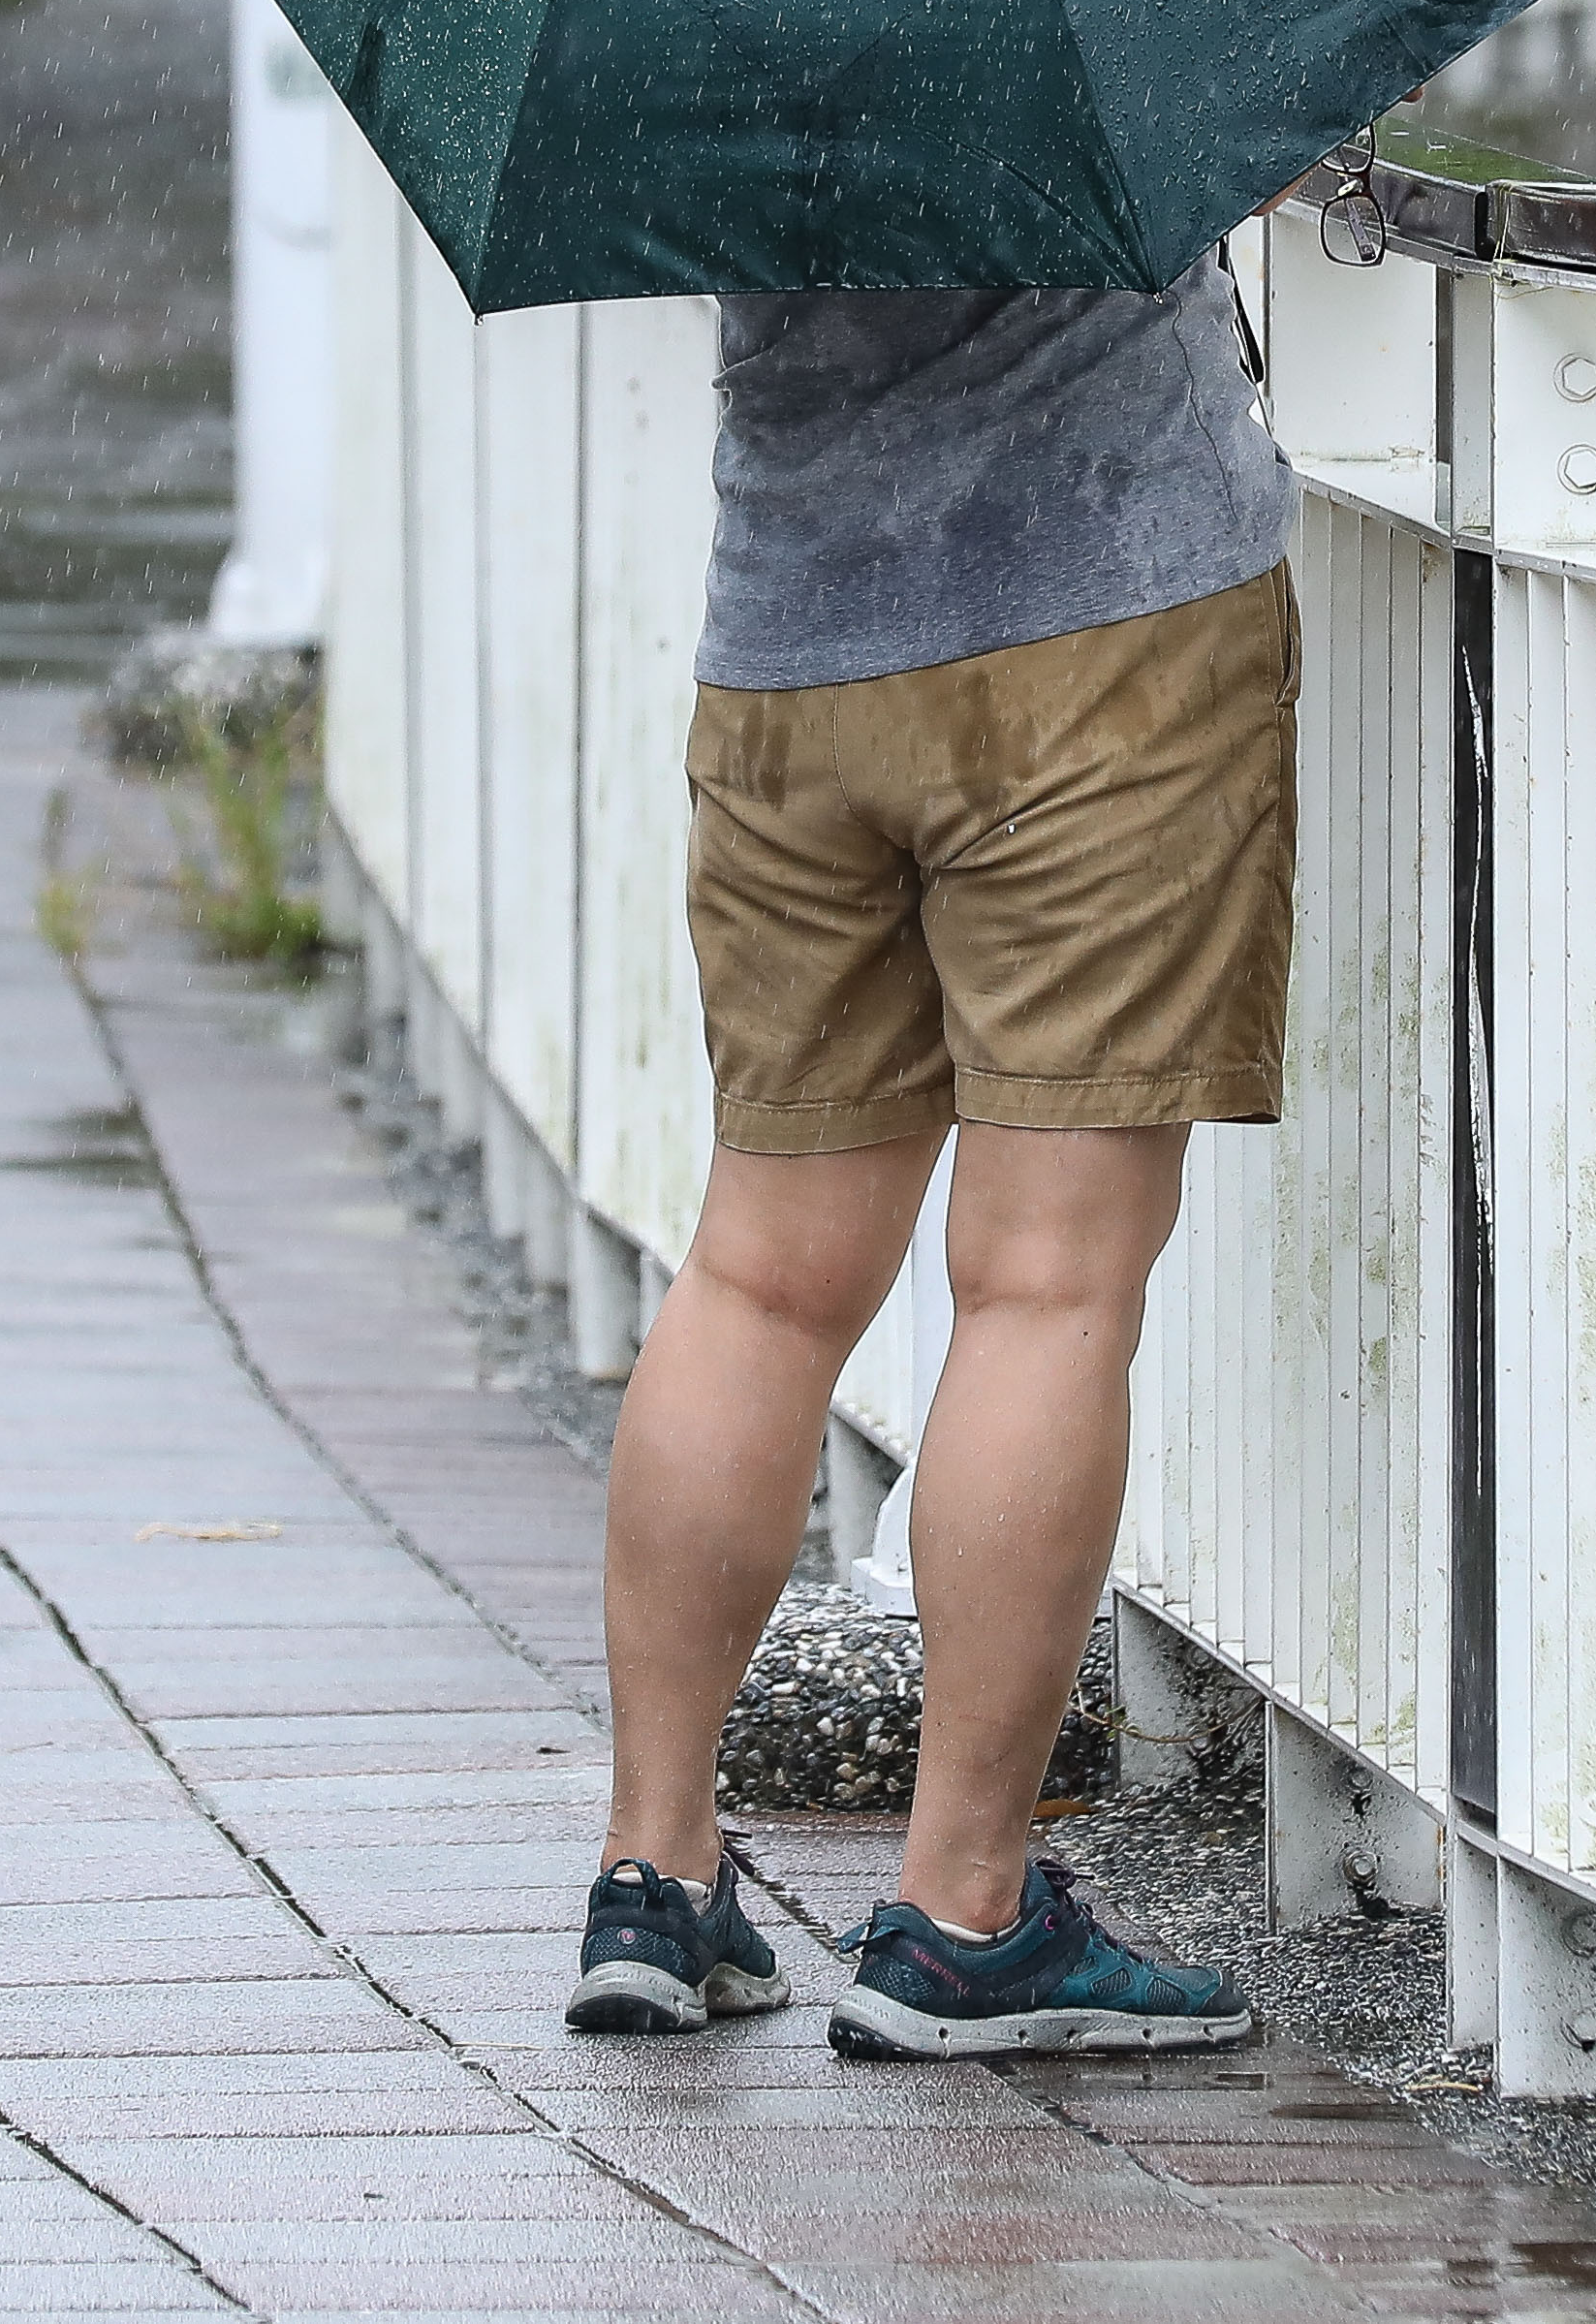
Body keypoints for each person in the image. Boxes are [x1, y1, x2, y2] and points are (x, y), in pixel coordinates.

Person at [571, 261, 1297, 2056]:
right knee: (1046, 1277)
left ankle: (654, 1877)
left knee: (759, 1269)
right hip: (1098, 624)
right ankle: (966, 1909)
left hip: (794, 653)